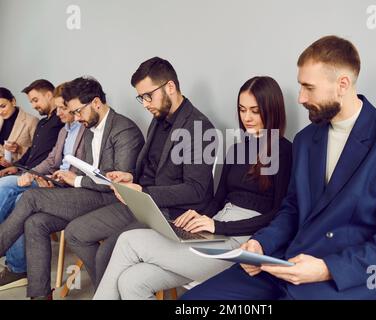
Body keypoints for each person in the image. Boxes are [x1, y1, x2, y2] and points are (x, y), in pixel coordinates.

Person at [181, 35, 376, 300]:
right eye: (300, 86)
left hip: (346, 282)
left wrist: (326, 269)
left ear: (342, 84)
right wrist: (262, 243)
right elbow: (292, 208)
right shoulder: (306, 140)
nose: (300, 98)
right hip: (285, 263)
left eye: (309, 88)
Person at [93, 76, 292, 300]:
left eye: (255, 111)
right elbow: (219, 199)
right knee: (131, 281)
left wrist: (218, 226)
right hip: (215, 229)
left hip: (243, 240)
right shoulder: (237, 148)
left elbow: (277, 215)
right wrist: (197, 219)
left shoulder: (284, 152)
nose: (247, 117)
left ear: (272, 110)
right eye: (242, 109)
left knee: (128, 241)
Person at [64, 57, 216, 290]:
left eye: (148, 96)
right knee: (75, 232)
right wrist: (130, 178)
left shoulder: (199, 127)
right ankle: (109, 292)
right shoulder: (159, 119)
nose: (144, 104)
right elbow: (151, 169)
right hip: (140, 203)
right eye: (141, 98)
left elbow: (196, 190)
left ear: (170, 87)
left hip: (169, 213)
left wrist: (144, 191)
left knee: (108, 251)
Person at [0, 76, 144, 299]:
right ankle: (40, 295)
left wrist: (74, 180)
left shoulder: (125, 130)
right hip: (84, 195)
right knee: (35, 222)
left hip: (111, 200)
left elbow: (116, 185)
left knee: (30, 198)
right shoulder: (88, 129)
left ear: (96, 103)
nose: (76, 118)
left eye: (78, 111)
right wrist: (57, 181)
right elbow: (84, 169)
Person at [0, 83, 86, 291]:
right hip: (47, 177)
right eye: (57, 108)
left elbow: (83, 169)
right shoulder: (65, 129)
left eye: (62, 108)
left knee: (12, 192)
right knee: (11, 191)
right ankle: (18, 267)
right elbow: (50, 159)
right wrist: (31, 173)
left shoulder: (85, 129)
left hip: (68, 186)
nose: (58, 113)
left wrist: (46, 177)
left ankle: (17, 267)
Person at [0, 79, 63, 177]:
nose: (33, 106)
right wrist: (16, 167)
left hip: (36, 174)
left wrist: (28, 173)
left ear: (49, 95)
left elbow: (55, 157)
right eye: (31, 102)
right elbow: (32, 150)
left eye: (35, 100)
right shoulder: (42, 123)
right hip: (24, 170)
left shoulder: (61, 121)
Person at [0, 87, 38, 169]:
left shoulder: (31, 121)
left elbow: (38, 151)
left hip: (18, 170)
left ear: (13, 101)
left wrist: (19, 149)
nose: (0, 112)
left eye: (3, 106)